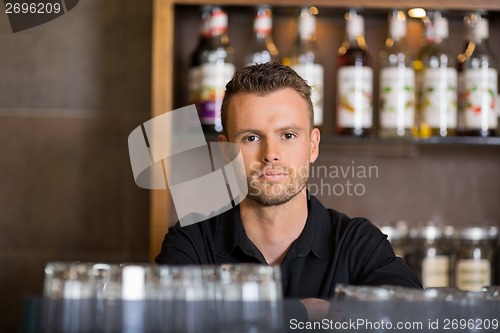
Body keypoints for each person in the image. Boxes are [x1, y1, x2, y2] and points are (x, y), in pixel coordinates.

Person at [155, 62, 421, 318]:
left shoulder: (357, 244)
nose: (271, 155)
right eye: (251, 138)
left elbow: (414, 317)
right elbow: (164, 321)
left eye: (288, 135)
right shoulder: (191, 243)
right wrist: (307, 312)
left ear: (313, 145)